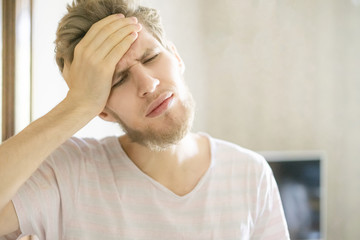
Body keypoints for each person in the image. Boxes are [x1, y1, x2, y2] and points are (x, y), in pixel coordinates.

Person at [0, 0, 290, 239]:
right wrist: (76, 105)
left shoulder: (251, 174)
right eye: (120, 79)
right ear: (102, 109)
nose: (148, 84)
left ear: (175, 57)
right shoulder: (69, 173)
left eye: (151, 57)